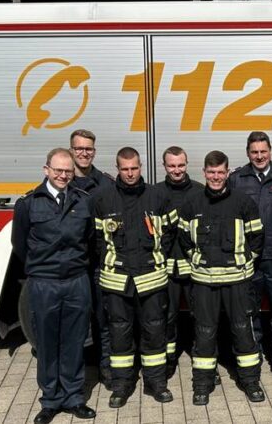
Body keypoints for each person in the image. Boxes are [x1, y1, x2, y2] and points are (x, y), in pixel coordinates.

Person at [11, 148, 96, 424]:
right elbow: (20, 243)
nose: (62, 175)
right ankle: (50, 400)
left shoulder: (83, 201)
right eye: (57, 170)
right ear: (46, 169)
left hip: (75, 281)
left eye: (68, 171)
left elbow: (90, 240)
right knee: (47, 343)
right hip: (44, 283)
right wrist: (42, 269)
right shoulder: (28, 204)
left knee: (74, 341)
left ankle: (73, 398)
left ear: (73, 172)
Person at [178, 150, 265, 406]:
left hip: (238, 281)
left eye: (220, 172)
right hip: (204, 282)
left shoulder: (243, 202)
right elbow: (184, 240)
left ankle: (251, 382)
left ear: (227, 173)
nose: (216, 177)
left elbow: (257, 237)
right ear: (204, 173)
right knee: (204, 334)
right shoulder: (192, 204)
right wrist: (197, 260)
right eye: (211, 172)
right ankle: (202, 385)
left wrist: (247, 261)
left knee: (243, 332)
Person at [91, 147, 173, 407]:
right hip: (117, 281)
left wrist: (153, 259)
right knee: (119, 333)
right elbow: (96, 241)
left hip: (151, 278)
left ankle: (156, 383)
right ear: (117, 169)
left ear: (141, 167)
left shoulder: (158, 197)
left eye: (134, 168)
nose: (130, 173)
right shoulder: (102, 200)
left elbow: (170, 235)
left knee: (154, 331)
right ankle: (122, 385)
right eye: (125, 169)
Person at [229, 131, 272, 385]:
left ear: (271, 150)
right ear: (248, 153)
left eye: (263, 151)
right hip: (248, 259)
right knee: (250, 312)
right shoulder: (237, 179)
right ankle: (253, 359)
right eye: (254, 152)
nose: (259, 156)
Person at [68, 129, 114, 388]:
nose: (84, 153)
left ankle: (106, 370)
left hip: (98, 264)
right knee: (74, 321)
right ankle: (78, 375)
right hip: (73, 266)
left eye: (88, 149)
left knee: (103, 319)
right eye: (79, 149)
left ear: (94, 151)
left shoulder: (105, 184)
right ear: (71, 151)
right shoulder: (62, 181)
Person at [155, 146, 203, 378]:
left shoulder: (200, 192)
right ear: (164, 166)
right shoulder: (153, 193)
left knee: (201, 317)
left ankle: (202, 360)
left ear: (187, 164)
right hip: (166, 270)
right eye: (172, 165)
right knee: (168, 318)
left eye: (181, 165)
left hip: (195, 268)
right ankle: (169, 361)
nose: (176, 170)